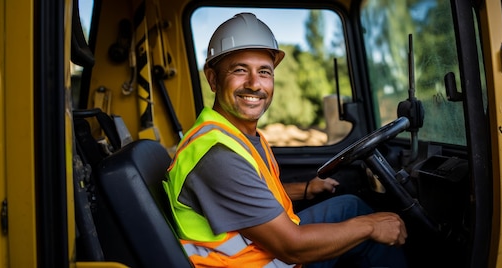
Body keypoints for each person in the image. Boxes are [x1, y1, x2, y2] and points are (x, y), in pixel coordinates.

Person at [163, 12, 407, 268]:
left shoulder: (232, 134)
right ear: (213, 79)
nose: (254, 84)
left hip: (264, 249)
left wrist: (305, 189)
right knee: (371, 228)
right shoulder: (217, 156)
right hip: (264, 262)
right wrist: (370, 227)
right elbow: (292, 248)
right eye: (239, 70)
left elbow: (248, 192)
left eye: (264, 72)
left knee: (350, 207)